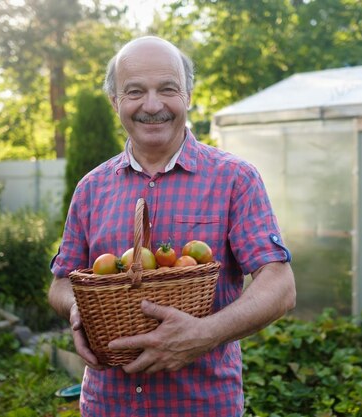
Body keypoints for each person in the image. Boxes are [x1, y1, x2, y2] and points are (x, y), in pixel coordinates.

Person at [48, 36, 296, 417]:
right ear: (115, 102)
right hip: (107, 406)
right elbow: (62, 282)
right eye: (135, 92)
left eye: (167, 89)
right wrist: (78, 310)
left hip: (200, 406)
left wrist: (205, 333)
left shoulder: (234, 178)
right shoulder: (91, 188)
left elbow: (279, 284)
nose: (152, 105)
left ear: (189, 96)